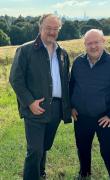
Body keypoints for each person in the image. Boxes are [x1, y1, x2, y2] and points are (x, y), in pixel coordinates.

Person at [9, 14, 72, 180]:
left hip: (57, 108)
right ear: (40, 28)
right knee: (35, 149)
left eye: (55, 29)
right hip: (36, 109)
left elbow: (66, 80)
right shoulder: (25, 50)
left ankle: (41, 173)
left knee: (44, 145)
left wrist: (68, 106)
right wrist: (29, 102)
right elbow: (16, 79)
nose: (51, 32)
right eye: (48, 28)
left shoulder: (62, 53)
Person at [70, 29, 110, 180]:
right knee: (83, 148)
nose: (93, 46)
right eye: (89, 43)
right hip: (81, 117)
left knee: (108, 153)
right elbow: (71, 86)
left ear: (103, 41)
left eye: (96, 42)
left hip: (104, 118)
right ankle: (84, 174)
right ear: (84, 44)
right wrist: (70, 106)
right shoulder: (78, 62)